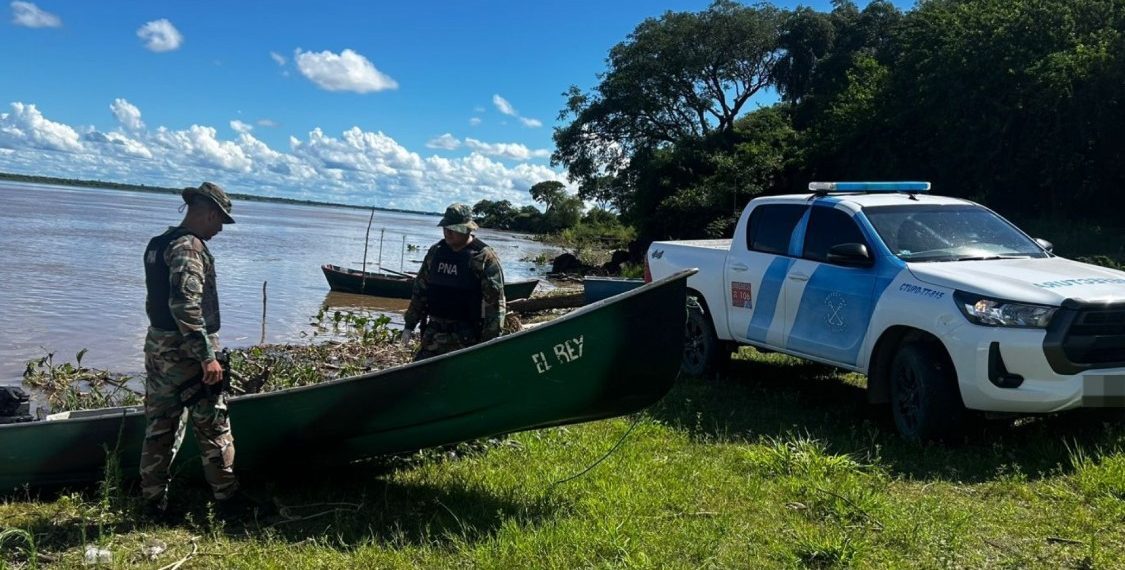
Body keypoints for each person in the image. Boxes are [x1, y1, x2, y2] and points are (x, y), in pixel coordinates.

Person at [140, 181, 249, 521]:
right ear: (209, 213)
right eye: (220, 221)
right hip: (186, 353)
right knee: (214, 425)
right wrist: (207, 357)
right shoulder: (188, 247)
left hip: (158, 347)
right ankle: (228, 500)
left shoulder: (158, 243)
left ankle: (153, 502)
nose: (219, 229)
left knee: (159, 426)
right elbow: (186, 306)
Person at [401, 203, 506, 361]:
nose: (447, 233)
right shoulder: (436, 252)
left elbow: (495, 305)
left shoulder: (483, 257)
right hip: (433, 335)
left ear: (467, 229)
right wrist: (409, 326)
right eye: (445, 228)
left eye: (453, 229)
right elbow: (420, 291)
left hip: (467, 338)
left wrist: (488, 345)